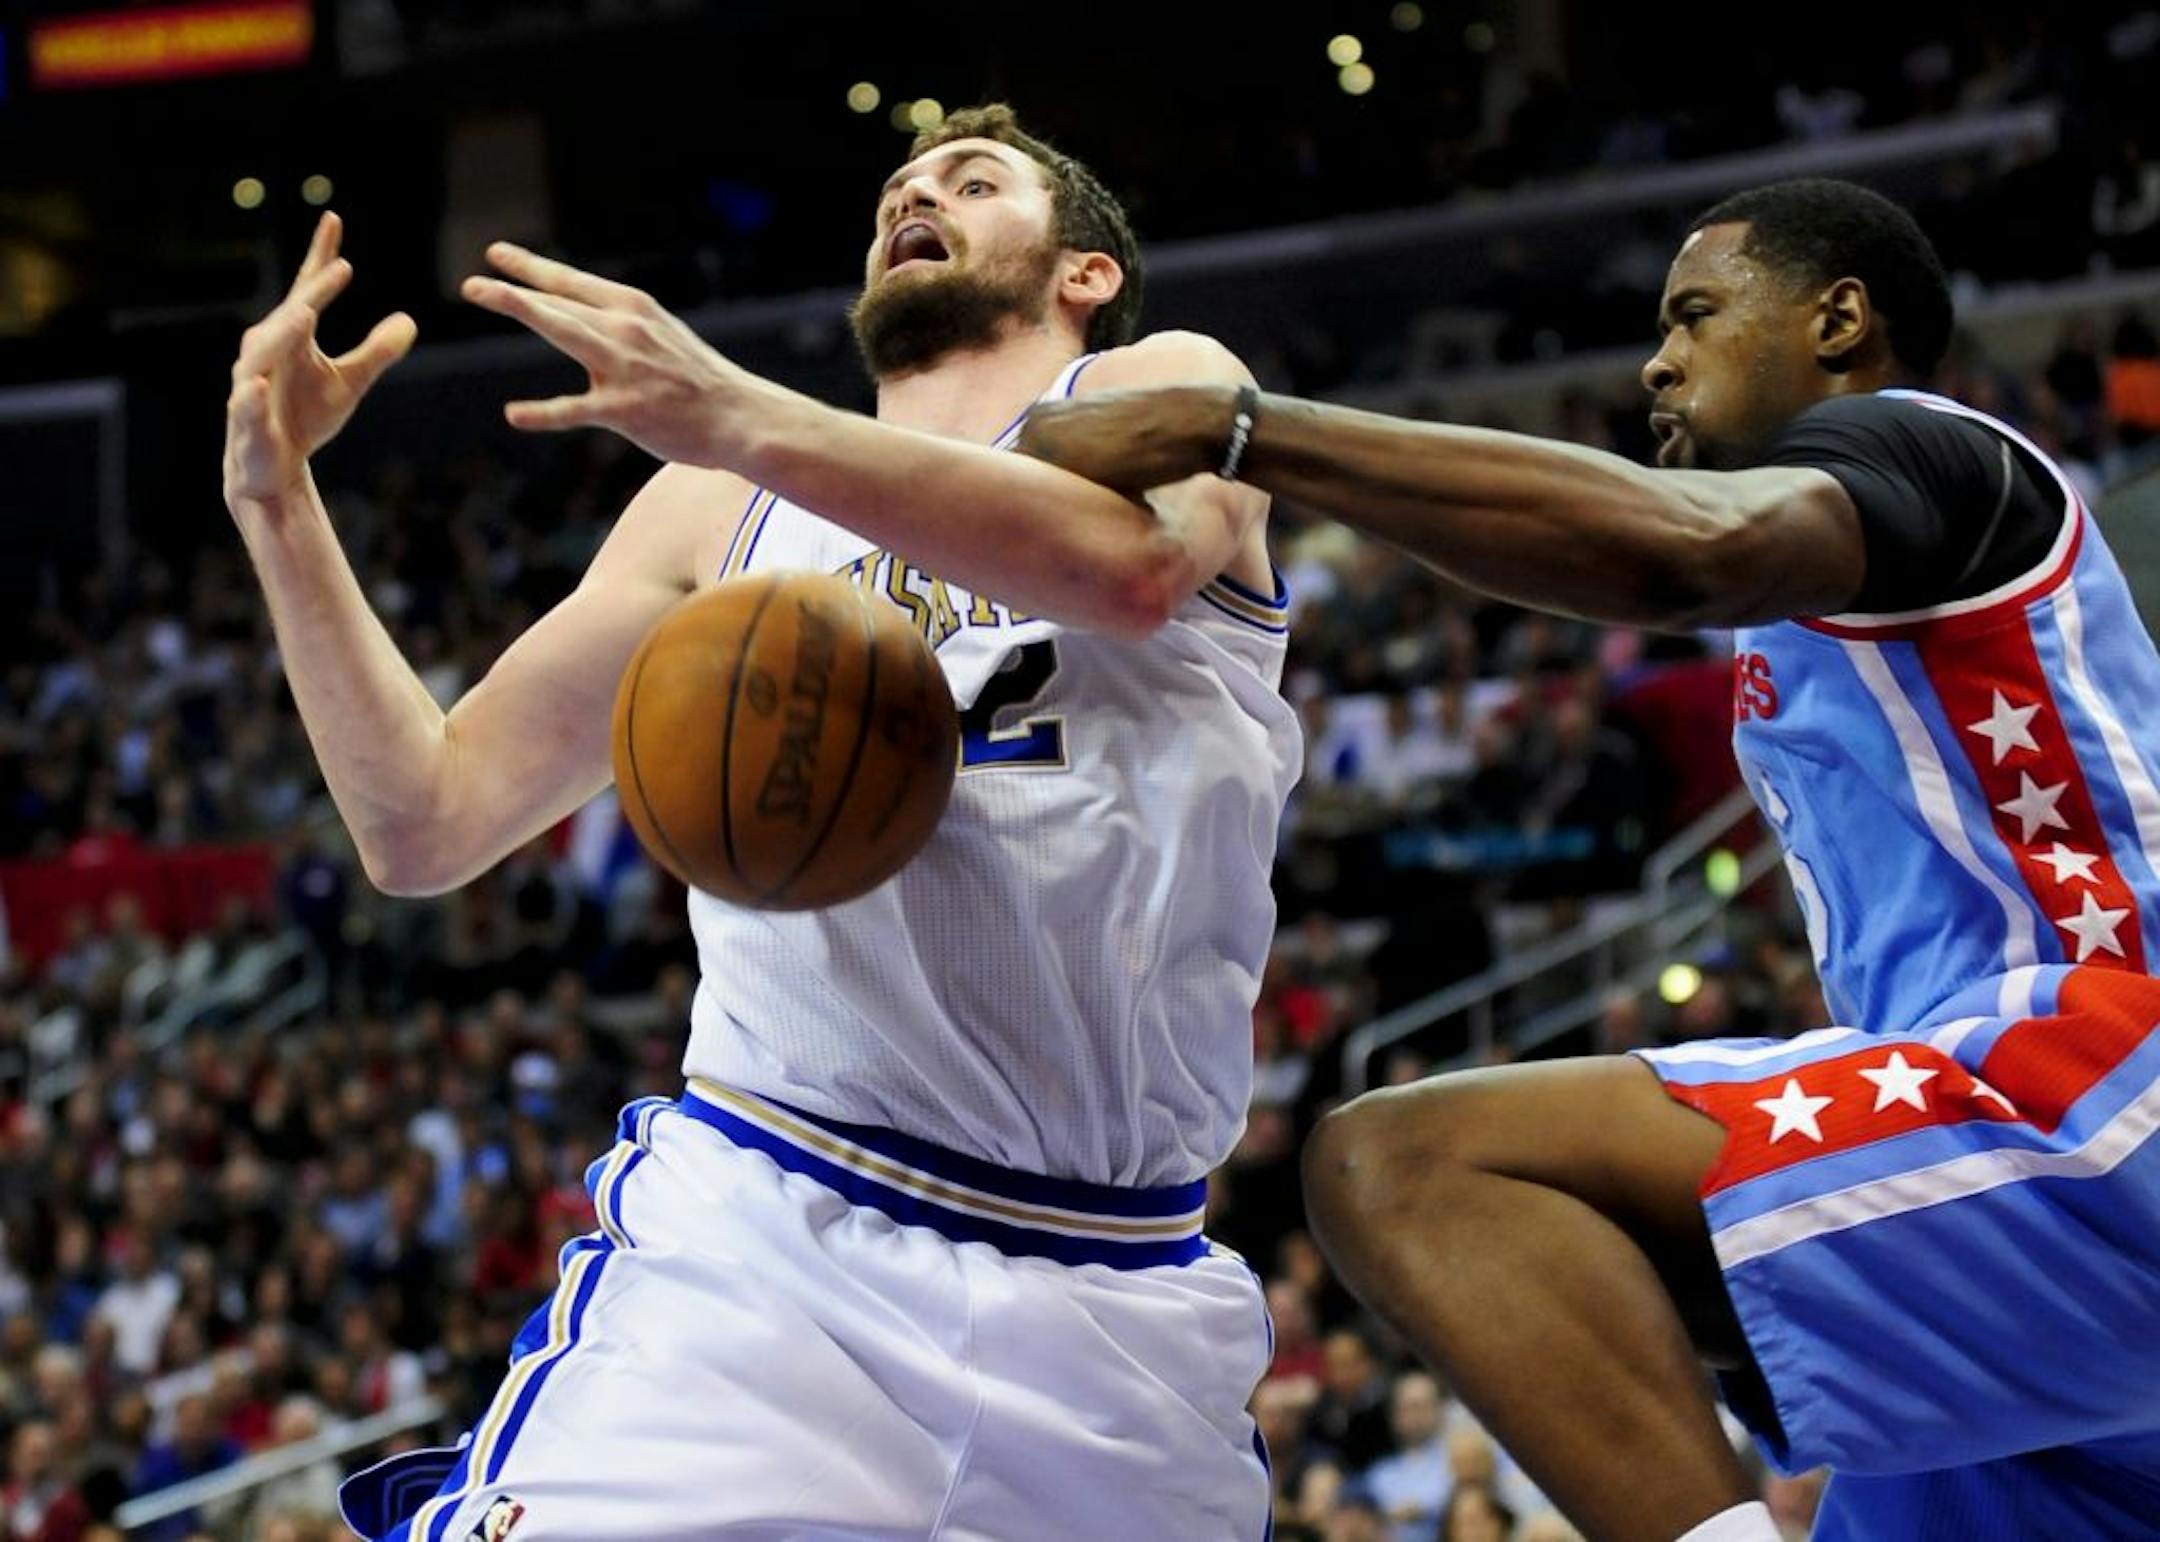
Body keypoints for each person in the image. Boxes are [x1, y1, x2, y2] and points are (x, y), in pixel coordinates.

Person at [1019, 177, 2160, 1539]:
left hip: (2102, 1082)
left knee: (1413, 1167)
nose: (1656, 359)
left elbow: (1685, 551)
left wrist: (1245, 432)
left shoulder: (1927, 453)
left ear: (1840, 321)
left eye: (1696, 315)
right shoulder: (1849, 591)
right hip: (2036, 1208)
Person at [221, 104, 1297, 1538]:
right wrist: (277, 500)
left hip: (1120, 1293)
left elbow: (1138, 570)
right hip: (768, 1240)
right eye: (900, 186)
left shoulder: (1163, 381)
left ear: (1083, 272)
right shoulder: (717, 504)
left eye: (974, 183)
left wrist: (736, 408)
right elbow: (425, 823)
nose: (918, 194)